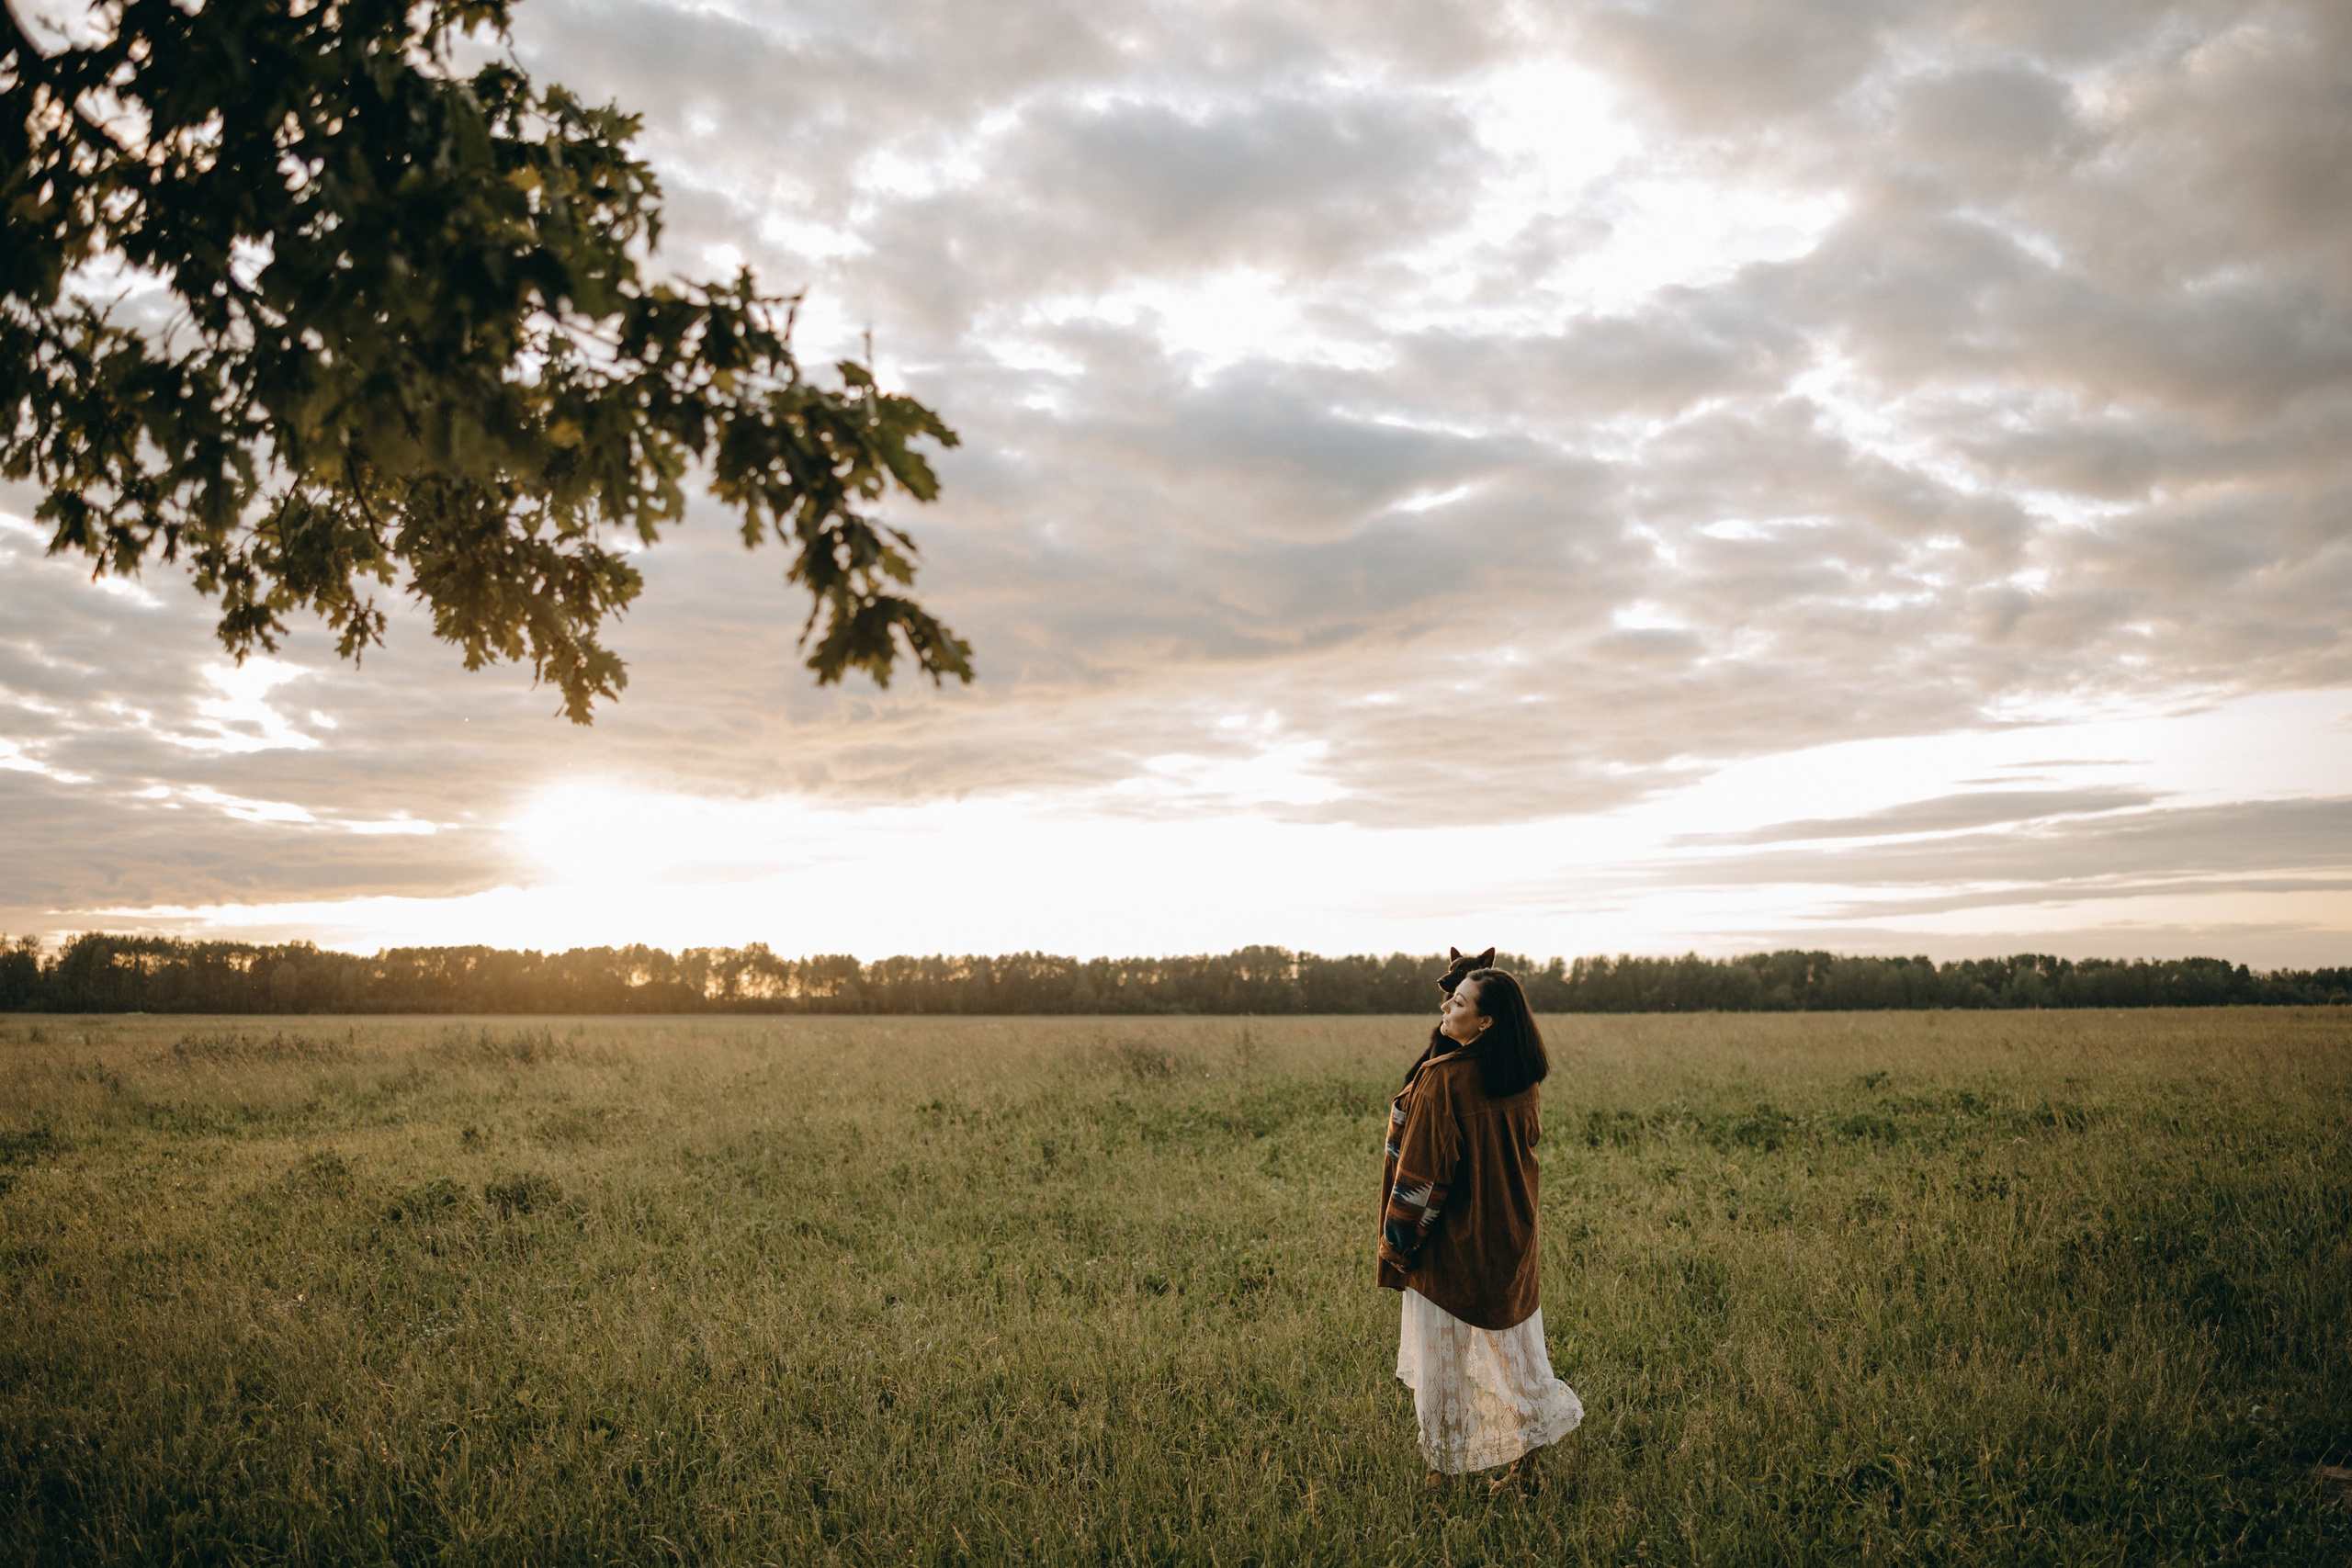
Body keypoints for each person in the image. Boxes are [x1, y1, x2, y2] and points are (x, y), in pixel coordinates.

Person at [1379, 961, 1583, 1493]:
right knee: (1520, 1357)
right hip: (1513, 1236)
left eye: (1459, 1002)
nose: (1445, 1007)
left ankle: (1440, 1478)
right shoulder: (1519, 1075)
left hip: (1453, 1245)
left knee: (1441, 1364)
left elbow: (1421, 1180)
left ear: (1487, 1022)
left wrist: (1398, 1249)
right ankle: (1528, 1467)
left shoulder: (1444, 1081)